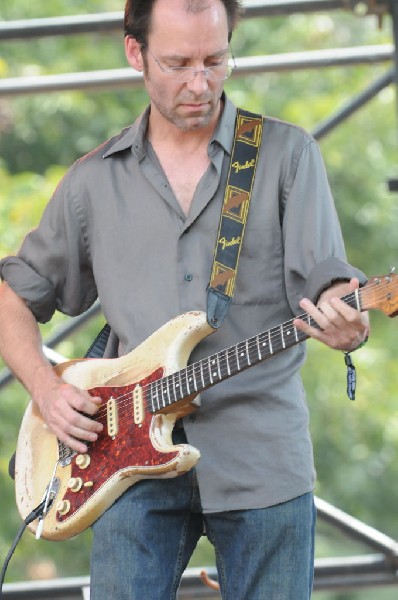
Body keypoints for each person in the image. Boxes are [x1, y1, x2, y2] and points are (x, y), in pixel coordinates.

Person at [0, 0, 370, 598]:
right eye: (177, 63)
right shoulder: (94, 181)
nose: (200, 83)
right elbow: (11, 295)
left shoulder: (287, 155)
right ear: (135, 52)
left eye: (215, 60)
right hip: (122, 463)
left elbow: (328, 279)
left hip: (262, 455)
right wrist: (46, 389)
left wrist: (344, 312)